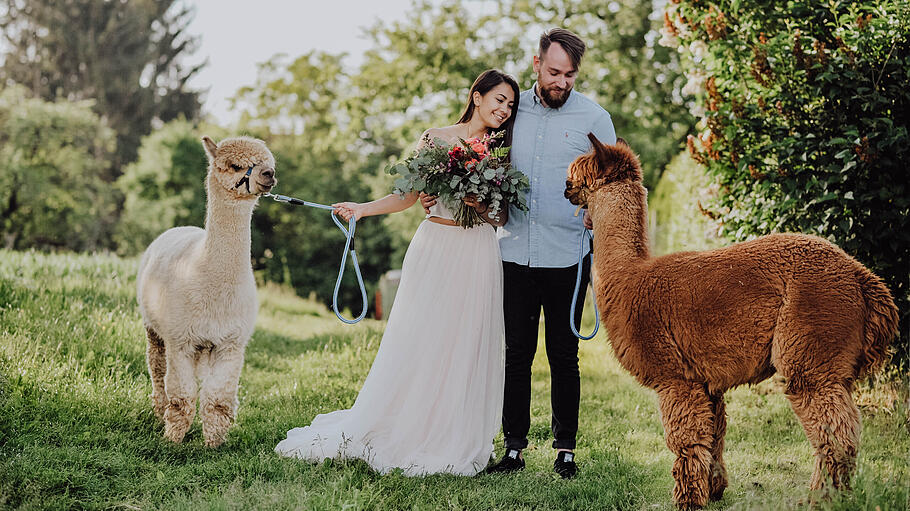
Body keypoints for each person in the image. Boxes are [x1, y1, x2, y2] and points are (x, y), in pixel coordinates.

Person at [275, 69, 520, 477]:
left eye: (510, 105)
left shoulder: (501, 152)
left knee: (467, 343)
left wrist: (479, 202)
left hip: (478, 253)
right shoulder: (436, 138)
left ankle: (454, 434)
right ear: (476, 97)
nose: (504, 109)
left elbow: (501, 215)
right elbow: (406, 196)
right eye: (498, 99)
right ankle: (408, 425)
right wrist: (361, 208)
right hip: (436, 247)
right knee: (423, 338)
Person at [422, 28, 617, 479]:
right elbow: (472, 156)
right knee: (516, 355)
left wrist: (595, 208)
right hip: (511, 251)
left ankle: (565, 449)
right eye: (553, 72)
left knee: (564, 356)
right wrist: (437, 194)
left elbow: (613, 179)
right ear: (536, 64)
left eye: (570, 74)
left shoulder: (595, 118)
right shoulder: (509, 111)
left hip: (568, 253)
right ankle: (513, 449)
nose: (561, 82)